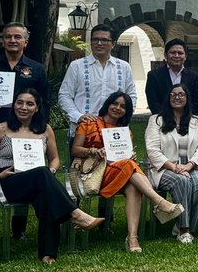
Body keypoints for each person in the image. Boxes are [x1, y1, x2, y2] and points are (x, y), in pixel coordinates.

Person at [0, 88, 104, 264]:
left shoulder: (45, 130)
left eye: (29, 104)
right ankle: (75, 214)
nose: (23, 107)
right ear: (13, 105)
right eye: (19, 102)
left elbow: (54, 159)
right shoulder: (0, 129)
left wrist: (53, 170)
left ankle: (48, 254)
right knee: (43, 176)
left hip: (38, 181)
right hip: (8, 182)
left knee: (46, 196)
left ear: (37, 108)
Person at [71, 91, 182, 254]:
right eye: (114, 103)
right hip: (94, 174)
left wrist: (129, 156)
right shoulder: (88, 124)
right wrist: (94, 151)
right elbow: (75, 149)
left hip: (119, 172)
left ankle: (132, 238)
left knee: (133, 186)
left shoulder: (125, 132)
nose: (117, 108)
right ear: (108, 104)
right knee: (129, 166)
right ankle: (158, 201)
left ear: (126, 111)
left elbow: (125, 159)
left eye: (123, 106)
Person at [145, 83, 198, 243]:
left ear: (187, 98)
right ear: (168, 98)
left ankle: (184, 224)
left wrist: (189, 166)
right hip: (164, 169)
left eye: (181, 94)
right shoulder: (156, 121)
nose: (177, 97)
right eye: (173, 94)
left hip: (192, 166)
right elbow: (153, 150)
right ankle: (184, 229)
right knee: (182, 180)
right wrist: (175, 167)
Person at [0, 22, 48, 141]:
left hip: (26, 129)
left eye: (18, 37)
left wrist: (40, 126)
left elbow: (45, 101)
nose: (12, 40)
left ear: (26, 42)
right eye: (8, 37)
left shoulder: (37, 69)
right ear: (3, 41)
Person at [58, 24, 137, 129]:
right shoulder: (77, 66)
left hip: (115, 128)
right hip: (83, 128)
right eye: (95, 39)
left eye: (104, 40)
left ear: (113, 44)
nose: (99, 43)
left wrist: (124, 116)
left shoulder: (124, 67)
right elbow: (65, 95)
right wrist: (78, 116)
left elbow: (131, 96)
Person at [144, 37, 198, 117]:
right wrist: (166, 118)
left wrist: (184, 117)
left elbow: (197, 101)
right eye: (173, 52)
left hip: (187, 120)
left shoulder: (193, 76)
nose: (176, 56)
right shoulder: (154, 76)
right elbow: (153, 101)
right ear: (165, 55)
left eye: (180, 53)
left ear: (185, 56)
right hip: (162, 120)